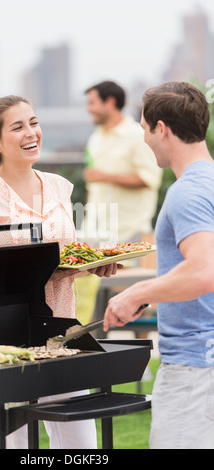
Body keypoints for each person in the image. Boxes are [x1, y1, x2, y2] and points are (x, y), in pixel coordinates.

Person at [0, 94, 119, 449]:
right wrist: (42, 274)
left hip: (64, 335)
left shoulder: (59, 186)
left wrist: (91, 266)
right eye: (18, 127)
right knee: (18, 446)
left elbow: (64, 256)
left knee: (81, 446)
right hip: (8, 343)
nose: (31, 132)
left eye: (34, 122)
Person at [103, 81, 214, 449]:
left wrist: (135, 293)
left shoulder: (187, 192)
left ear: (162, 129)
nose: (145, 138)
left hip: (194, 370)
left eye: (144, 129)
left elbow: (203, 271)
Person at [82, 80, 162, 245]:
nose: (88, 109)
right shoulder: (95, 138)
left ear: (110, 102)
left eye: (92, 103)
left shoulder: (137, 136)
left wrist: (105, 177)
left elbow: (150, 180)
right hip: (96, 234)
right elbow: (93, 186)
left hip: (130, 234)